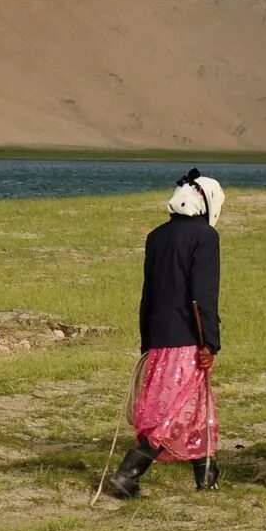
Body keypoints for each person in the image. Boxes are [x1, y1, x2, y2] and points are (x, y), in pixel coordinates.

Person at [102, 169, 223, 497]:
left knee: (197, 406)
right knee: (173, 410)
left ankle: (206, 477)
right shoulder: (205, 238)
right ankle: (128, 473)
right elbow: (202, 296)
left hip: (159, 338)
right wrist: (210, 342)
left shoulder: (157, 237)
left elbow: (148, 294)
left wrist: (146, 342)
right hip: (187, 340)